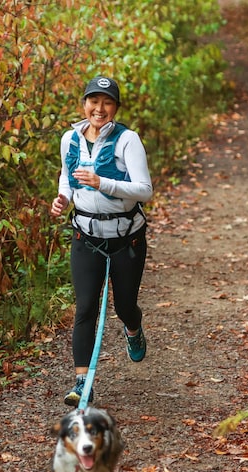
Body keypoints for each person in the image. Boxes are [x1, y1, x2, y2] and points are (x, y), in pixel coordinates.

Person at [50, 76, 153, 406]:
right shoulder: (70, 138)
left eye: (107, 102)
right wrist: (63, 198)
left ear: (115, 108)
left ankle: (133, 330)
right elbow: (67, 176)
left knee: (124, 305)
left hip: (126, 237)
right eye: (94, 101)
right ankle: (83, 383)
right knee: (85, 308)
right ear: (84, 105)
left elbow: (144, 191)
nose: (99, 108)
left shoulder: (128, 140)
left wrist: (103, 182)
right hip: (86, 236)